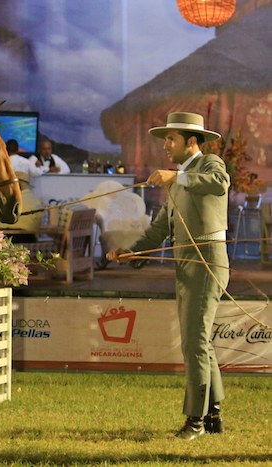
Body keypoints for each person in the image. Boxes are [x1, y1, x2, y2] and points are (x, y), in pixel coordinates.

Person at [106, 112, 228, 441]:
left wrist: (178, 177)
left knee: (194, 342)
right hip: (187, 265)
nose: (166, 146)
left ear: (192, 141)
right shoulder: (177, 181)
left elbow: (220, 183)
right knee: (200, 341)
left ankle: (195, 421)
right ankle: (213, 414)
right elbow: (159, 228)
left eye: (171, 139)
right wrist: (132, 253)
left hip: (207, 262)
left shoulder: (209, 163)